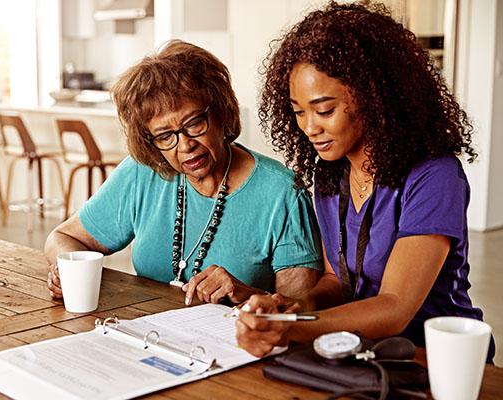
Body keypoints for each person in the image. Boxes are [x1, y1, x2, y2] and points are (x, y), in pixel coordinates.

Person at [236, 1, 496, 363]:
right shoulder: (330, 170)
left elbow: (395, 307)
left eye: (325, 110)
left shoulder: (434, 175)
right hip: (361, 353)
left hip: (438, 360)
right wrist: (294, 306)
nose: (310, 127)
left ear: (375, 97)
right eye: (298, 111)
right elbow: (337, 280)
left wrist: (294, 328)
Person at [45, 40, 323, 306]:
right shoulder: (143, 173)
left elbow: (299, 311)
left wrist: (247, 295)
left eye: (194, 124)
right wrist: (68, 270)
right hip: (145, 336)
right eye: (165, 135)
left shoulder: (282, 192)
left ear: (221, 113)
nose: (185, 145)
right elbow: (63, 238)